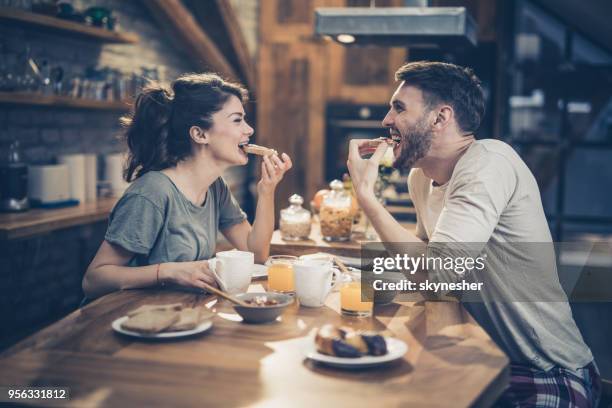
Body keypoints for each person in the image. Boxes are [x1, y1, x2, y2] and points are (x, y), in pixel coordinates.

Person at [347, 61, 600, 407]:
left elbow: (438, 274)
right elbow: (426, 253)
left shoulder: (488, 163)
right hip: (490, 359)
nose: (386, 121)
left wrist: (368, 198)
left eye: (399, 107)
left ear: (440, 118)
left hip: (546, 371)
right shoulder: (420, 177)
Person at [83, 73, 292, 300]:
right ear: (200, 134)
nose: (249, 130)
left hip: (179, 315)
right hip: (123, 321)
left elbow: (256, 254)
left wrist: (267, 190)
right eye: (237, 120)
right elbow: (94, 280)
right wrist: (169, 272)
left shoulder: (215, 188)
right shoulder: (152, 193)